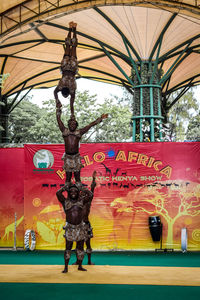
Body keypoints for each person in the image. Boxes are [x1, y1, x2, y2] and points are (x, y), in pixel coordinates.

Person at [56, 104, 108, 187]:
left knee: (77, 178)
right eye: (71, 124)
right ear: (68, 125)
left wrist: (100, 119)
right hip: (68, 157)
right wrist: (58, 111)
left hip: (76, 157)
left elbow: (90, 125)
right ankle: (68, 193)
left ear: (76, 126)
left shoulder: (79, 132)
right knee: (68, 178)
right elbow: (59, 121)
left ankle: (79, 192)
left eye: (74, 124)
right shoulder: (65, 131)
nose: (72, 125)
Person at [56, 184, 88, 273]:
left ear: (78, 193)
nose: (73, 193)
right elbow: (58, 193)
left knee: (80, 248)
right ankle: (66, 267)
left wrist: (83, 189)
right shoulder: (65, 202)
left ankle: (80, 266)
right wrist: (64, 188)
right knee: (68, 248)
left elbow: (91, 195)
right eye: (71, 191)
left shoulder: (81, 202)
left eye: (75, 191)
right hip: (70, 228)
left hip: (80, 228)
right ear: (68, 193)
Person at [54, 21, 78, 116]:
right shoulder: (72, 91)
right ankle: (73, 29)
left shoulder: (60, 88)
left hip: (67, 68)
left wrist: (57, 101)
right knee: (72, 47)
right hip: (71, 68)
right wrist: (72, 113)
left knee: (70, 47)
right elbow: (71, 104)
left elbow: (55, 93)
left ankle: (71, 28)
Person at [73, 171, 97, 265]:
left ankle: (89, 261)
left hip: (86, 225)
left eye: (84, 194)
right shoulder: (76, 202)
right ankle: (78, 261)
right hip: (78, 226)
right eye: (81, 193)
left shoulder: (88, 202)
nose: (82, 195)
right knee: (78, 246)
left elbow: (92, 189)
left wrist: (93, 179)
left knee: (87, 244)